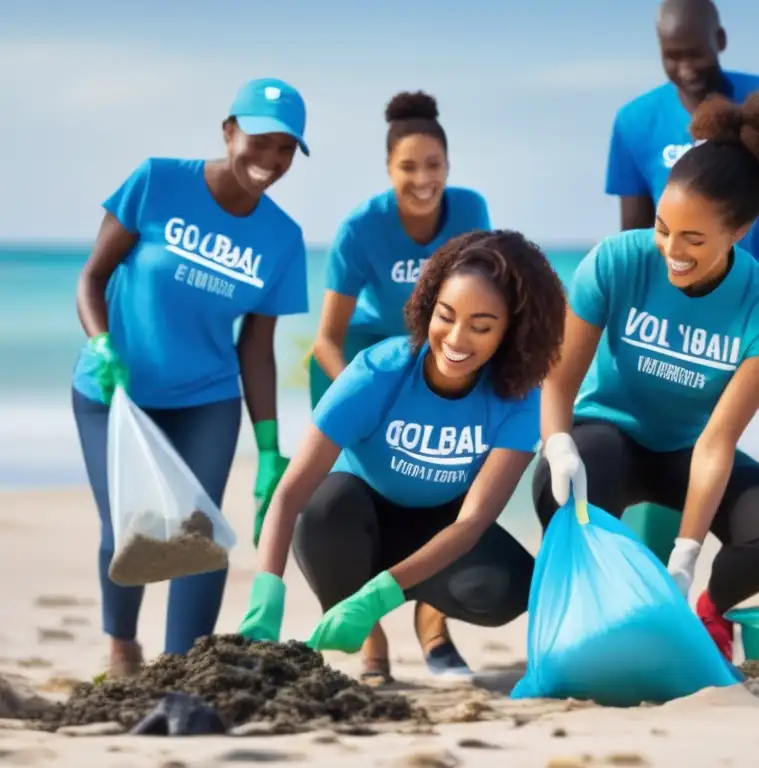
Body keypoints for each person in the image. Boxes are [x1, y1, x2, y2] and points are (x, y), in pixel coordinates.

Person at [535, 89, 759, 661]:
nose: (671, 249)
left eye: (693, 239)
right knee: (563, 480)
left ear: (738, 233)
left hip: (688, 452)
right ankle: (591, 614)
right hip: (607, 439)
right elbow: (559, 382)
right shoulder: (616, 261)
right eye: (664, 227)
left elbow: (718, 441)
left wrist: (686, 557)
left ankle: (706, 614)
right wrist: (558, 442)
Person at [239, 230, 566, 681]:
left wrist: (384, 590)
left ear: (512, 332)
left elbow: (472, 522)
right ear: (429, 304)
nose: (456, 338)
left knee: (509, 588)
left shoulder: (518, 399)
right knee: (321, 511)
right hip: (354, 520)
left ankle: (427, 618)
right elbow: (291, 492)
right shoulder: (378, 372)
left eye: (482, 326)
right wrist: (266, 593)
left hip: (443, 527)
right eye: (445, 316)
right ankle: (371, 639)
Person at [604, 0, 759, 604]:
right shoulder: (635, 121)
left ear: (722, 40)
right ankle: (651, 593)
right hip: (683, 323)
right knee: (666, 448)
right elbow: (635, 240)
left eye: (696, 54)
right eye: (670, 56)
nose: (684, 68)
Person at [71, 78, 310, 675]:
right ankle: (122, 646)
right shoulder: (157, 181)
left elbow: (256, 349)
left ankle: (182, 669)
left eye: (286, 148)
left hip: (207, 399)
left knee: (201, 542)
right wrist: (101, 346)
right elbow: (92, 279)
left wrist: (270, 447)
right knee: (134, 528)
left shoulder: (283, 239)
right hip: (115, 392)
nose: (272, 160)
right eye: (261, 140)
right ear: (229, 130)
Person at [302, 90, 491, 682]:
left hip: (442, 368)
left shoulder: (470, 212)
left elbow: (487, 302)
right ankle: (371, 641)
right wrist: (366, 400)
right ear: (389, 170)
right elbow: (326, 340)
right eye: (408, 166)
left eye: (433, 165)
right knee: (353, 504)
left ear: (449, 166)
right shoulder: (362, 228)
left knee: (448, 485)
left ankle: (434, 633)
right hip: (364, 372)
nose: (422, 178)